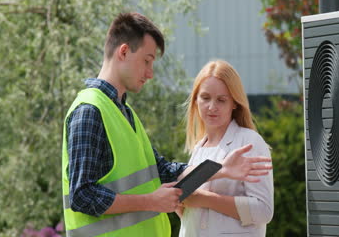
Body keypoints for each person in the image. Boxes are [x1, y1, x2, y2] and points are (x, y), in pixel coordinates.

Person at [62, 12, 273, 237]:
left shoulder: (124, 113)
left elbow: (163, 171)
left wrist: (220, 170)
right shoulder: (90, 111)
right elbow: (82, 195)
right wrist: (150, 201)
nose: (150, 73)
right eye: (147, 60)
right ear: (123, 51)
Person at [177, 60, 274, 237]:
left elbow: (264, 211)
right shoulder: (198, 148)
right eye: (205, 98)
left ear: (234, 103)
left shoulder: (249, 142)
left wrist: (205, 199)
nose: (212, 107)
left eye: (221, 100)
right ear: (196, 99)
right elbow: (186, 205)